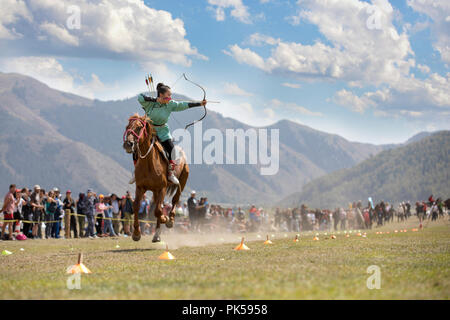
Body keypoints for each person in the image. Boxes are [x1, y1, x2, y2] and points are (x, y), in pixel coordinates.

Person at [130, 82, 208, 185]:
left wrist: (199, 103)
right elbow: (140, 97)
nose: (170, 97)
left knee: (172, 151)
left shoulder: (170, 104)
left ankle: (170, 173)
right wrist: (155, 100)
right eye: (168, 95)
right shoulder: (150, 103)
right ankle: (136, 172)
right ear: (161, 95)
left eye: (171, 95)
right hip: (148, 131)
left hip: (163, 131)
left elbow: (183, 105)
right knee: (136, 148)